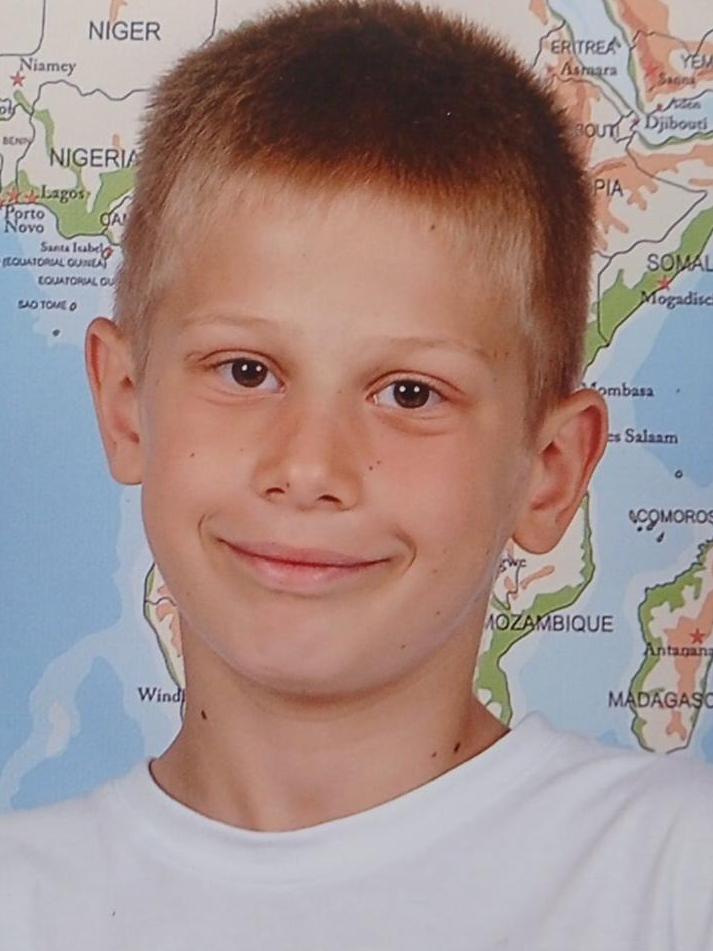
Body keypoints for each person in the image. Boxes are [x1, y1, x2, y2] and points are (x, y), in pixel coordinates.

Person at [2, 0, 712, 948]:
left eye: (409, 393)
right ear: (127, 406)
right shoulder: (23, 901)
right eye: (245, 372)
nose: (308, 467)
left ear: (549, 471)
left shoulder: (673, 875)